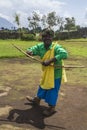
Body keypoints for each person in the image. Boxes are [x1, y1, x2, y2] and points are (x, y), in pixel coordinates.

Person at [26, 28, 68, 116]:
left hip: (56, 72)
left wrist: (50, 60)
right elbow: (32, 49)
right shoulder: (40, 46)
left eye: (49, 36)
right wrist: (29, 51)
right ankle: (37, 100)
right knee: (43, 84)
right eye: (45, 36)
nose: (47, 38)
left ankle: (52, 107)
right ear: (42, 37)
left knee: (52, 89)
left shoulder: (56, 47)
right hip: (46, 71)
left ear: (52, 38)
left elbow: (64, 54)